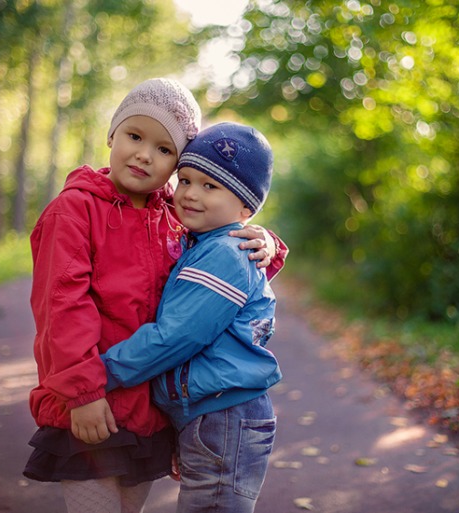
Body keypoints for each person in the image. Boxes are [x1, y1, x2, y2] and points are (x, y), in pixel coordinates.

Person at [23, 79, 287, 513]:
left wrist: (265, 242)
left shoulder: (172, 214)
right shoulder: (74, 210)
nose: (145, 154)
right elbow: (61, 306)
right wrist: (84, 392)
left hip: (146, 408)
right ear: (112, 135)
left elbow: (218, 264)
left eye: (166, 150)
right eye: (134, 136)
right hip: (92, 400)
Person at [99, 122, 282, 513]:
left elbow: (176, 336)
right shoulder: (202, 245)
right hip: (209, 414)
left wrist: (99, 374)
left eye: (210, 186)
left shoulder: (225, 254)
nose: (190, 194)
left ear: (246, 208)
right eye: (185, 180)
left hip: (223, 416)